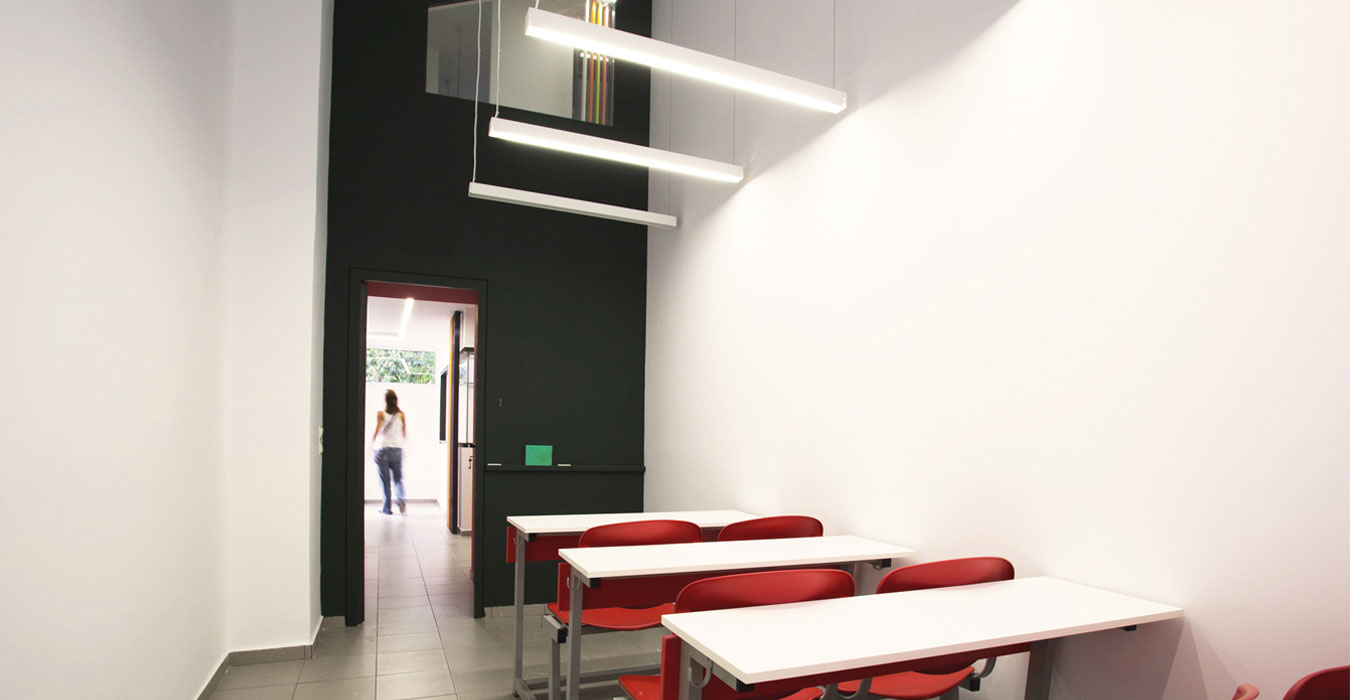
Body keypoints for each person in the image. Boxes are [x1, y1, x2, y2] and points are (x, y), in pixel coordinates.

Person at [372, 389, 408, 514]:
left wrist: (373, 441)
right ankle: (401, 499)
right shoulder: (401, 414)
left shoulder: (381, 414)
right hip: (397, 449)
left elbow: (377, 431)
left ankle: (387, 508)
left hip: (384, 449)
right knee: (398, 479)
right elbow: (404, 433)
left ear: (386, 400)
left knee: (385, 481)